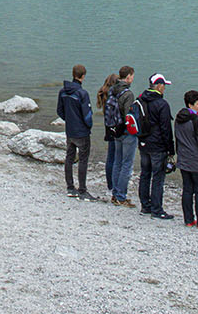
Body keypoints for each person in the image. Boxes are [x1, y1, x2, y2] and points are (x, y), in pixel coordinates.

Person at [135, 74, 175, 219]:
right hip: (158, 146)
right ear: (158, 86)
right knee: (158, 178)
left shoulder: (140, 99)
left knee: (145, 174)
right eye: (164, 85)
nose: (165, 88)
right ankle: (157, 209)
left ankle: (145, 206)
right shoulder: (162, 104)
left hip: (143, 143)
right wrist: (171, 149)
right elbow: (166, 129)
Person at [99, 66, 138, 207]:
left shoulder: (112, 90)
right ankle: (121, 196)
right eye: (132, 76)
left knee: (117, 162)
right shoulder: (128, 94)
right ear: (128, 77)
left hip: (115, 130)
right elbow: (129, 116)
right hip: (126, 132)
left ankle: (115, 194)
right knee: (126, 164)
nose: (133, 79)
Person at [173, 90, 198, 228]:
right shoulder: (197, 120)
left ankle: (188, 220)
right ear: (190, 105)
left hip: (184, 159)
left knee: (188, 190)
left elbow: (177, 139)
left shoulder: (178, 119)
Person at [57, 64, 94, 198]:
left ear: (73, 74)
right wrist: (88, 126)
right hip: (82, 131)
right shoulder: (82, 93)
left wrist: (69, 120)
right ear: (83, 76)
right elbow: (87, 115)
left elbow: (59, 110)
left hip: (70, 130)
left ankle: (70, 187)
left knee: (69, 157)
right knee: (83, 159)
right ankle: (82, 189)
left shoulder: (63, 91)